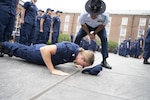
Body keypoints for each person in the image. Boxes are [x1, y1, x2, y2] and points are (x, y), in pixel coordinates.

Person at [0, 41, 94, 76]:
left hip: (43, 56)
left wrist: (76, 64)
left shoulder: (77, 52)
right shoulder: (67, 48)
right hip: (38, 53)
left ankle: (7, 49)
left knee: (22, 48)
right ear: (82, 57)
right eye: (83, 65)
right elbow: (44, 50)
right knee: (20, 51)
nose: (81, 66)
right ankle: (3, 45)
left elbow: (73, 57)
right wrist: (52, 70)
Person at [74, 0, 112, 69]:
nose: (93, 16)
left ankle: (104, 60)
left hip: (99, 27)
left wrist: (94, 33)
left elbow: (103, 26)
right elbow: (82, 25)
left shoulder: (105, 15)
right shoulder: (83, 14)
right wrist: (89, 34)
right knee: (78, 36)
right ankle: (74, 55)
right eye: (92, 14)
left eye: (95, 14)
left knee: (104, 38)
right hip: (86, 26)